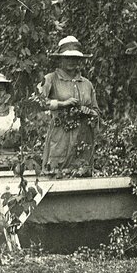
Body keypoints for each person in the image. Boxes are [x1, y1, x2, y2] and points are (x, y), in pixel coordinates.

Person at [38, 36, 100, 172]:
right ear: (60, 59)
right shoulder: (50, 79)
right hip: (61, 137)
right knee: (56, 173)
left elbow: (96, 112)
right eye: (67, 58)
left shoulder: (86, 83)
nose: (71, 61)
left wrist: (88, 112)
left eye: (75, 58)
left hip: (83, 137)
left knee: (81, 173)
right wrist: (62, 104)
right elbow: (37, 102)